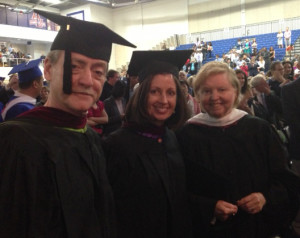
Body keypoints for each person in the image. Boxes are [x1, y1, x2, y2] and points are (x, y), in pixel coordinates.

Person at [0, 9, 136, 237]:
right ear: (49, 70)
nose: (87, 80)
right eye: (75, 66)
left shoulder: (90, 137)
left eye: (98, 71)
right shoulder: (14, 142)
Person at [177, 61, 300, 238]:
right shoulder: (186, 136)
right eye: (206, 91)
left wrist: (265, 198)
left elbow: (287, 182)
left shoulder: (259, 130)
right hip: (210, 231)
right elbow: (179, 192)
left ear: (235, 92)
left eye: (222, 90)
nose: (214, 97)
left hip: (258, 228)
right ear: (196, 95)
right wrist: (209, 207)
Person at [103, 50, 193, 238]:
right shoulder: (116, 145)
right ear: (142, 95)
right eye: (155, 92)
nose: (164, 100)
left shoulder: (172, 138)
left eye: (171, 93)